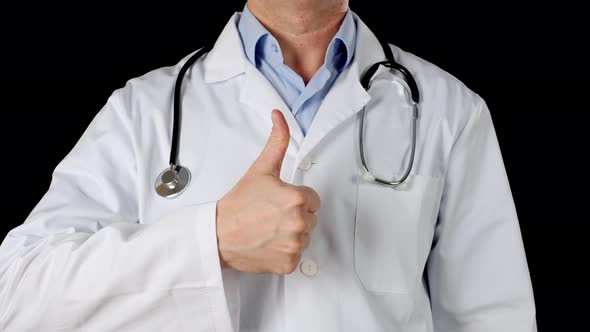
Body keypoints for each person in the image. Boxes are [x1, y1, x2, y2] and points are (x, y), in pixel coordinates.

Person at [0, 0, 537, 331]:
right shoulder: (144, 111)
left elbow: (494, 319)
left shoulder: (450, 111)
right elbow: (18, 295)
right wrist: (209, 241)